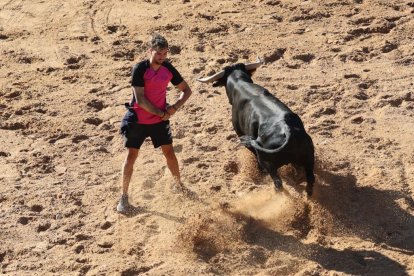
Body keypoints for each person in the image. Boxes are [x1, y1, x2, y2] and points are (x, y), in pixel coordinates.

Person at [117, 34, 192, 213]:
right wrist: (161, 113)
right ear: (150, 51)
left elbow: (186, 90)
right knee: (131, 157)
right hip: (138, 120)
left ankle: (178, 186)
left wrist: (174, 108)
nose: (162, 57)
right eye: (159, 53)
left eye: (165, 53)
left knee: (170, 154)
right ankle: (123, 197)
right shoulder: (139, 69)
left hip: (159, 121)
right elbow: (140, 99)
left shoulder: (168, 68)